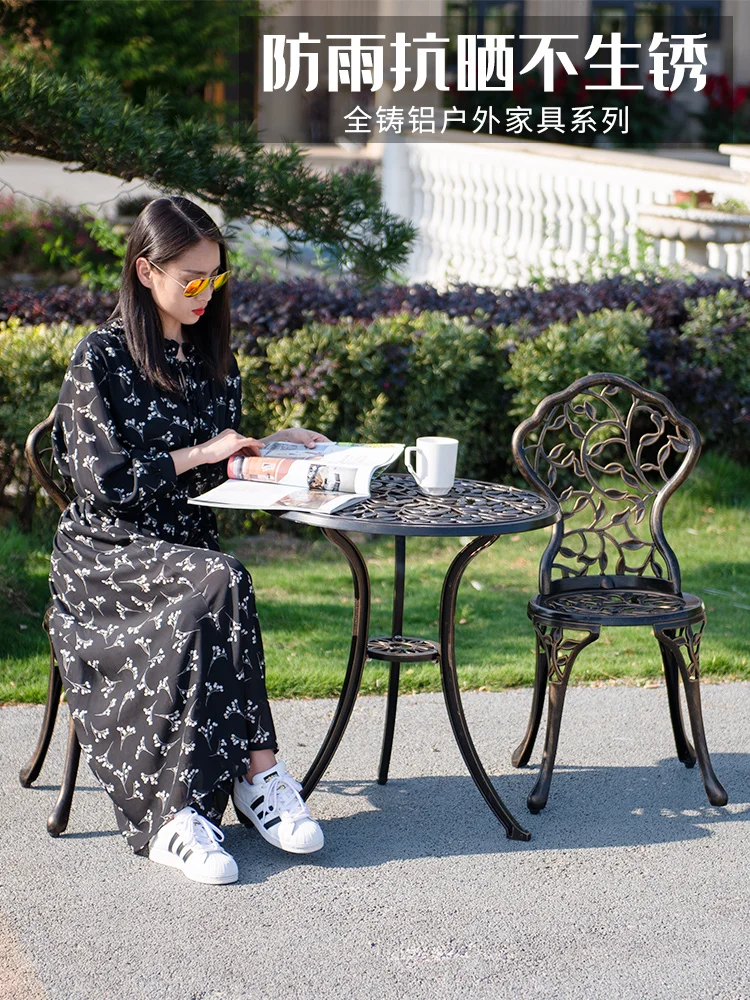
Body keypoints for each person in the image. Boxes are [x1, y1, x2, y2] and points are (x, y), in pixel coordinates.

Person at [48, 195, 328, 885]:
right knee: (223, 581)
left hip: (184, 549)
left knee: (217, 581)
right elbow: (101, 484)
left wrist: (270, 450)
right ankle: (184, 812)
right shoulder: (101, 357)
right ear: (147, 272)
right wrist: (201, 454)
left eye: (215, 278)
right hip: (105, 555)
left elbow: (217, 468)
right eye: (190, 280)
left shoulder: (212, 360)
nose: (204, 294)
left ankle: (246, 786)